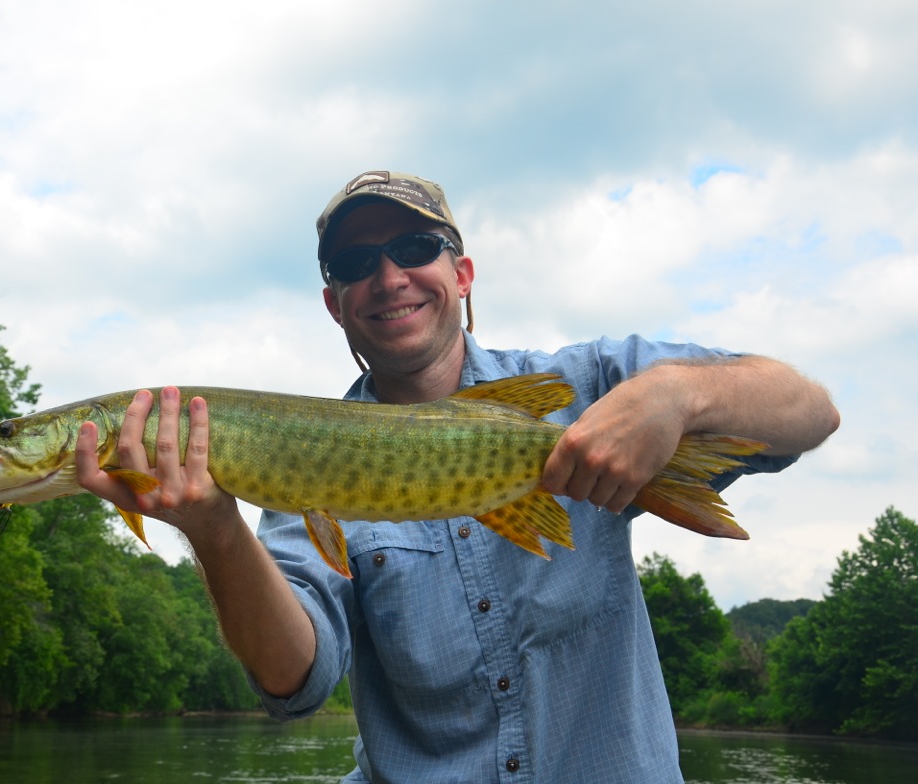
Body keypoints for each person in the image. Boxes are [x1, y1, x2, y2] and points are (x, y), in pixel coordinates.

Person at [75, 171, 840, 783]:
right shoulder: (301, 470)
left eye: (413, 246)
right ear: (333, 305)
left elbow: (809, 411)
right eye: (353, 265)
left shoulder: (588, 384)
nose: (387, 275)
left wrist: (674, 395)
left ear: (462, 272)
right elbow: (292, 681)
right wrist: (214, 529)